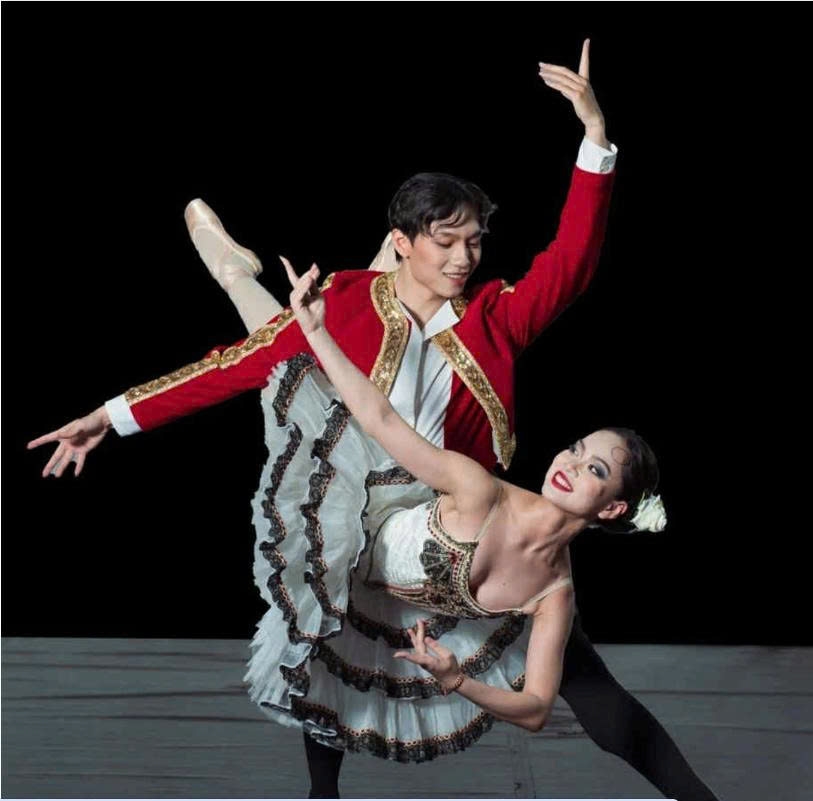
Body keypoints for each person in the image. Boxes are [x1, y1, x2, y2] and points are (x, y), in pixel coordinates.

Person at [28, 41, 718, 800]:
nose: (465, 258)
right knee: (318, 586)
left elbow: (574, 261)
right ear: (403, 242)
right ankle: (230, 267)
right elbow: (232, 368)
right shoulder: (350, 303)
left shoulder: (495, 317)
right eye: (446, 243)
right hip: (353, 490)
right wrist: (109, 416)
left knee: (583, 677)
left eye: (474, 243)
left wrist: (594, 136)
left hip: (455, 514)